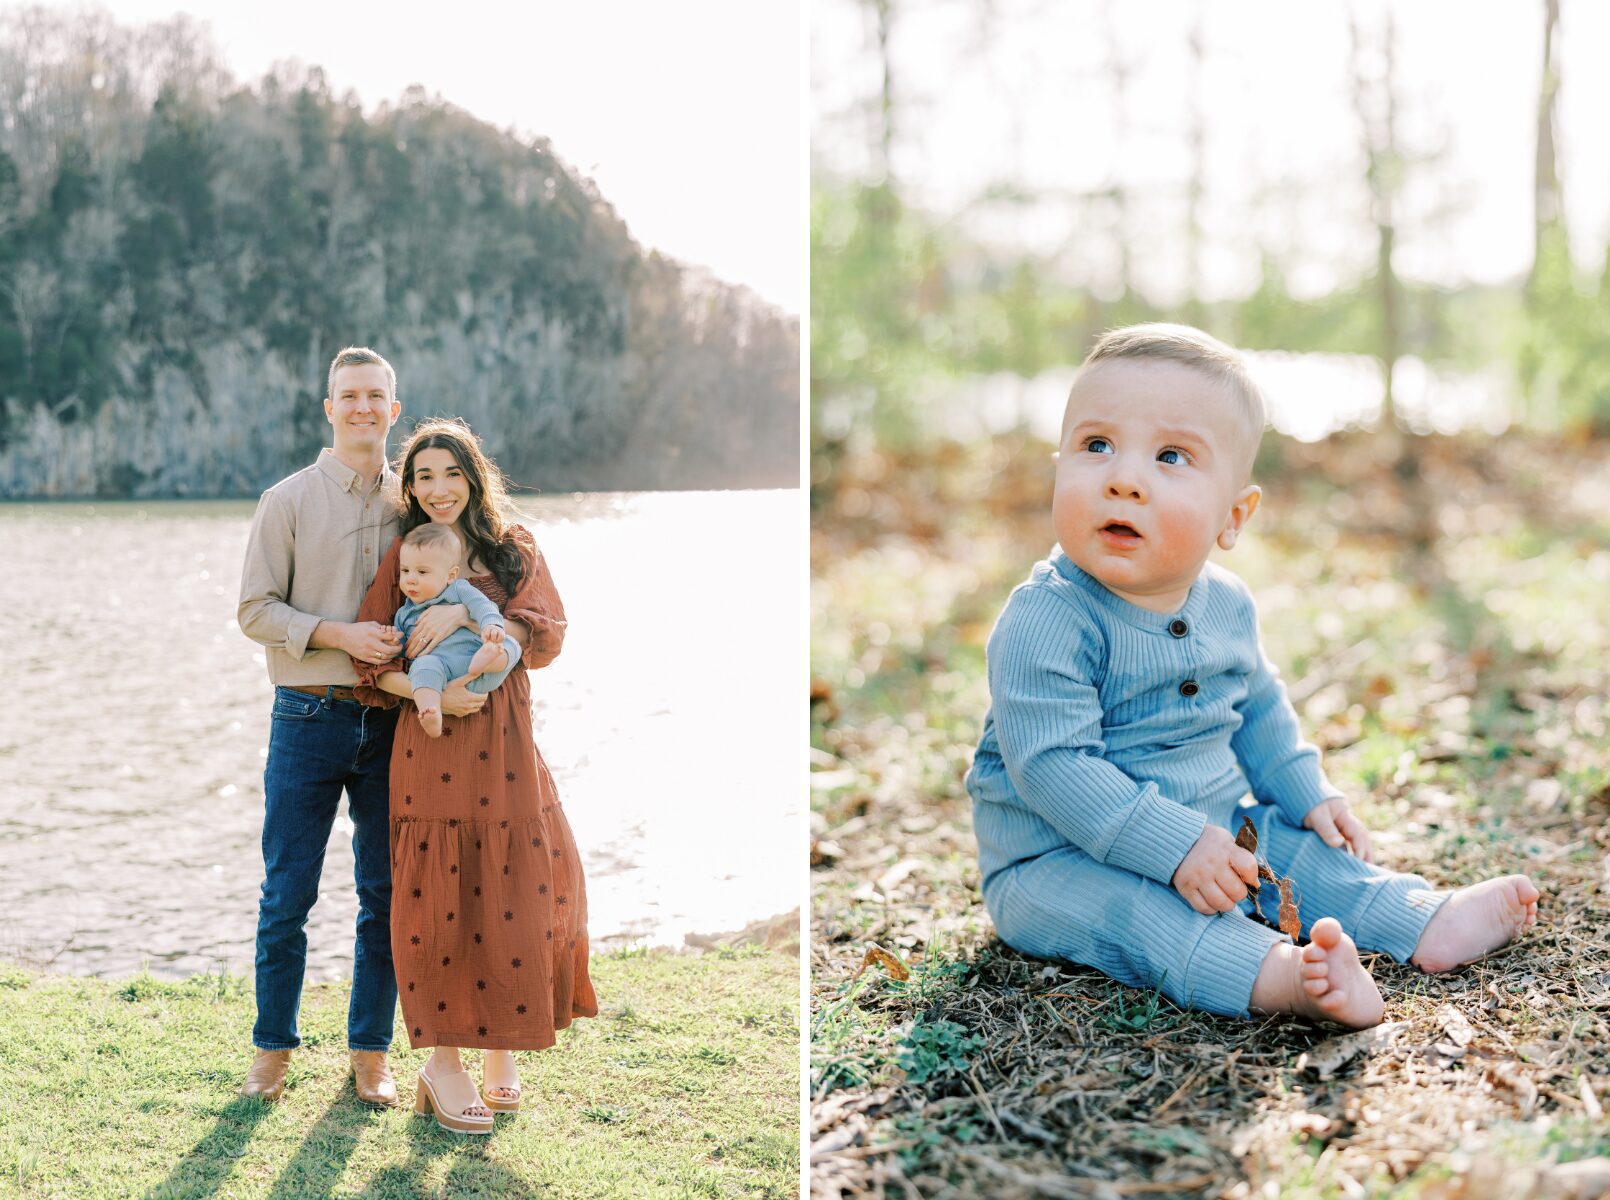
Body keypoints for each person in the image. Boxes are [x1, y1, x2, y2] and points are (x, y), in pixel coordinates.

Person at [966, 324, 1540, 1028]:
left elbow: (1258, 704)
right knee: (1145, 915)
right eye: (1095, 446)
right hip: (1054, 861)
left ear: (1232, 517)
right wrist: (1175, 848)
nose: (1122, 478)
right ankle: (1286, 978)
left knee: (1291, 851)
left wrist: (1303, 791)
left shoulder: (1227, 603)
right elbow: (1054, 767)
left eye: (1170, 455)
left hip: (1211, 828)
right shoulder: (1046, 619)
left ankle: (1422, 919)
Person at [236, 347, 483, 1105]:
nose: (363, 408)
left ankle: (368, 1056)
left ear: (393, 408)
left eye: (377, 396)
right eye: (350, 396)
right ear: (329, 407)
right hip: (307, 717)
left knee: (386, 895)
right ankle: (271, 1053)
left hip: (394, 723)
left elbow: (466, 578)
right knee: (288, 895)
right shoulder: (288, 500)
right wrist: (340, 636)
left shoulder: (413, 507)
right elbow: (253, 612)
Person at [352, 417, 597, 1135]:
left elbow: (541, 629)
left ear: (473, 475)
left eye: (449, 473)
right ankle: (443, 1062)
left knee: (520, 886)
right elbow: (373, 662)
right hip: (432, 745)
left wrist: (464, 609)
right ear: (410, 486)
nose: (437, 489)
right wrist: (435, 694)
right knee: (438, 898)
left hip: (505, 742)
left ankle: (502, 1041)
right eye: (423, 476)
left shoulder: (513, 550)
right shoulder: (406, 554)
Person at [394, 522, 519, 738]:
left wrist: (491, 625)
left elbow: (483, 606)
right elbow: (403, 651)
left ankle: (489, 658)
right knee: (423, 666)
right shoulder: (403, 614)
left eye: (422, 572)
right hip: (443, 675)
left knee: (511, 644)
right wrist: (391, 641)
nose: (410, 579)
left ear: (451, 575)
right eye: (405, 571)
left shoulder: (459, 590)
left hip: (479, 664)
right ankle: (430, 710)